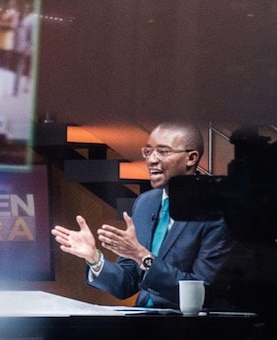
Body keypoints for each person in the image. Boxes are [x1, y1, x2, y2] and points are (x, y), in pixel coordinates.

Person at [51, 122, 232, 309]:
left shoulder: (214, 209)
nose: (151, 160)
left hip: (191, 328)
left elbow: (202, 290)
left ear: (191, 158)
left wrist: (142, 256)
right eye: (148, 152)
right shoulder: (146, 202)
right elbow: (126, 284)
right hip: (144, 322)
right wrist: (95, 259)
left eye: (162, 152)